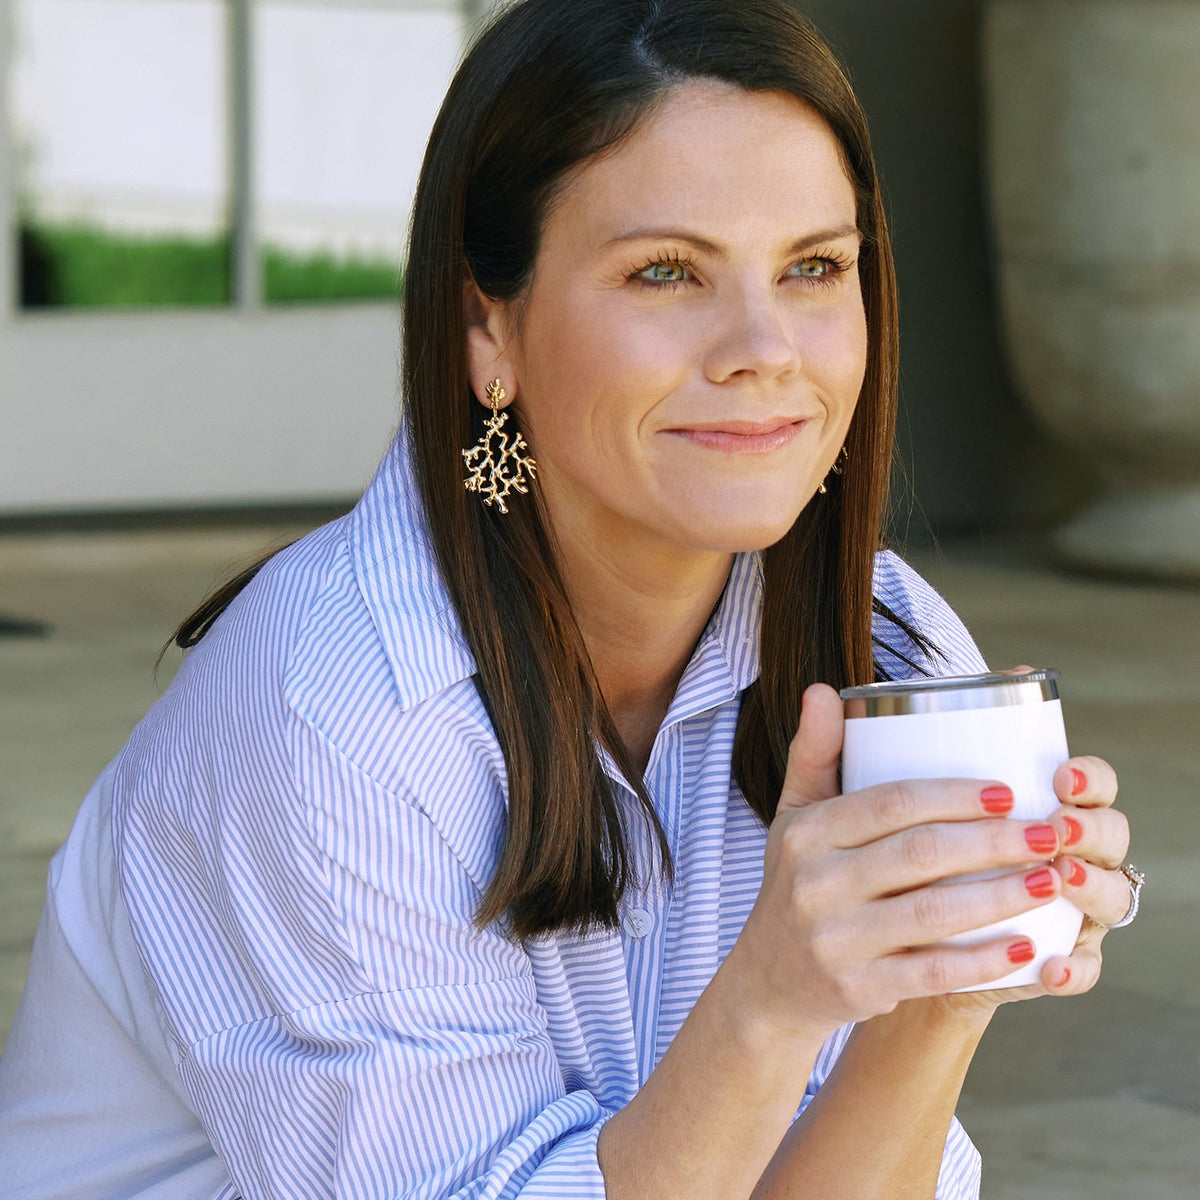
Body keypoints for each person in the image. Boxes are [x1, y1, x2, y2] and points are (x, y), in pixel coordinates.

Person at [0, 1, 1138, 1197]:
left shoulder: (886, 650)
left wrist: (944, 991)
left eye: (814, 267)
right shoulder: (327, 713)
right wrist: (771, 999)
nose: (765, 347)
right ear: (486, 329)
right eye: (666, 272)